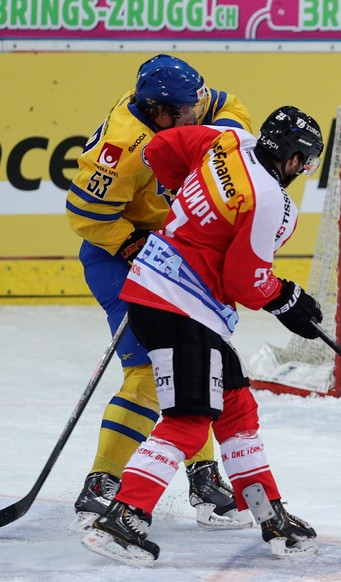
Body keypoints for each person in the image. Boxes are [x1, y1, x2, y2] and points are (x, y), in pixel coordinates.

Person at [81, 106, 325, 564]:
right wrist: (286, 298)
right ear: (294, 159)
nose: (302, 171)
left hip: (175, 301)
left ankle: (269, 513)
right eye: (305, 162)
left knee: (235, 406)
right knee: (190, 418)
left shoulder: (229, 140)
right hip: (179, 305)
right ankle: (125, 515)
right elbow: (243, 280)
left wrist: (182, 198)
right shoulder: (269, 199)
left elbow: (161, 147)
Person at [65, 54, 254, 529]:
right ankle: (103, 482)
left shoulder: (181, 101)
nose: (197, 113)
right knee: (151, 370)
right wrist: (133, 244)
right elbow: (84, 215)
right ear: (160, 110)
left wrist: (214, 144)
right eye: (187, 112)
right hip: (116, 256)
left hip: (170, 254)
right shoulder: (121, 147)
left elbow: (233, 106)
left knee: (199, 359)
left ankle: (203, 475)